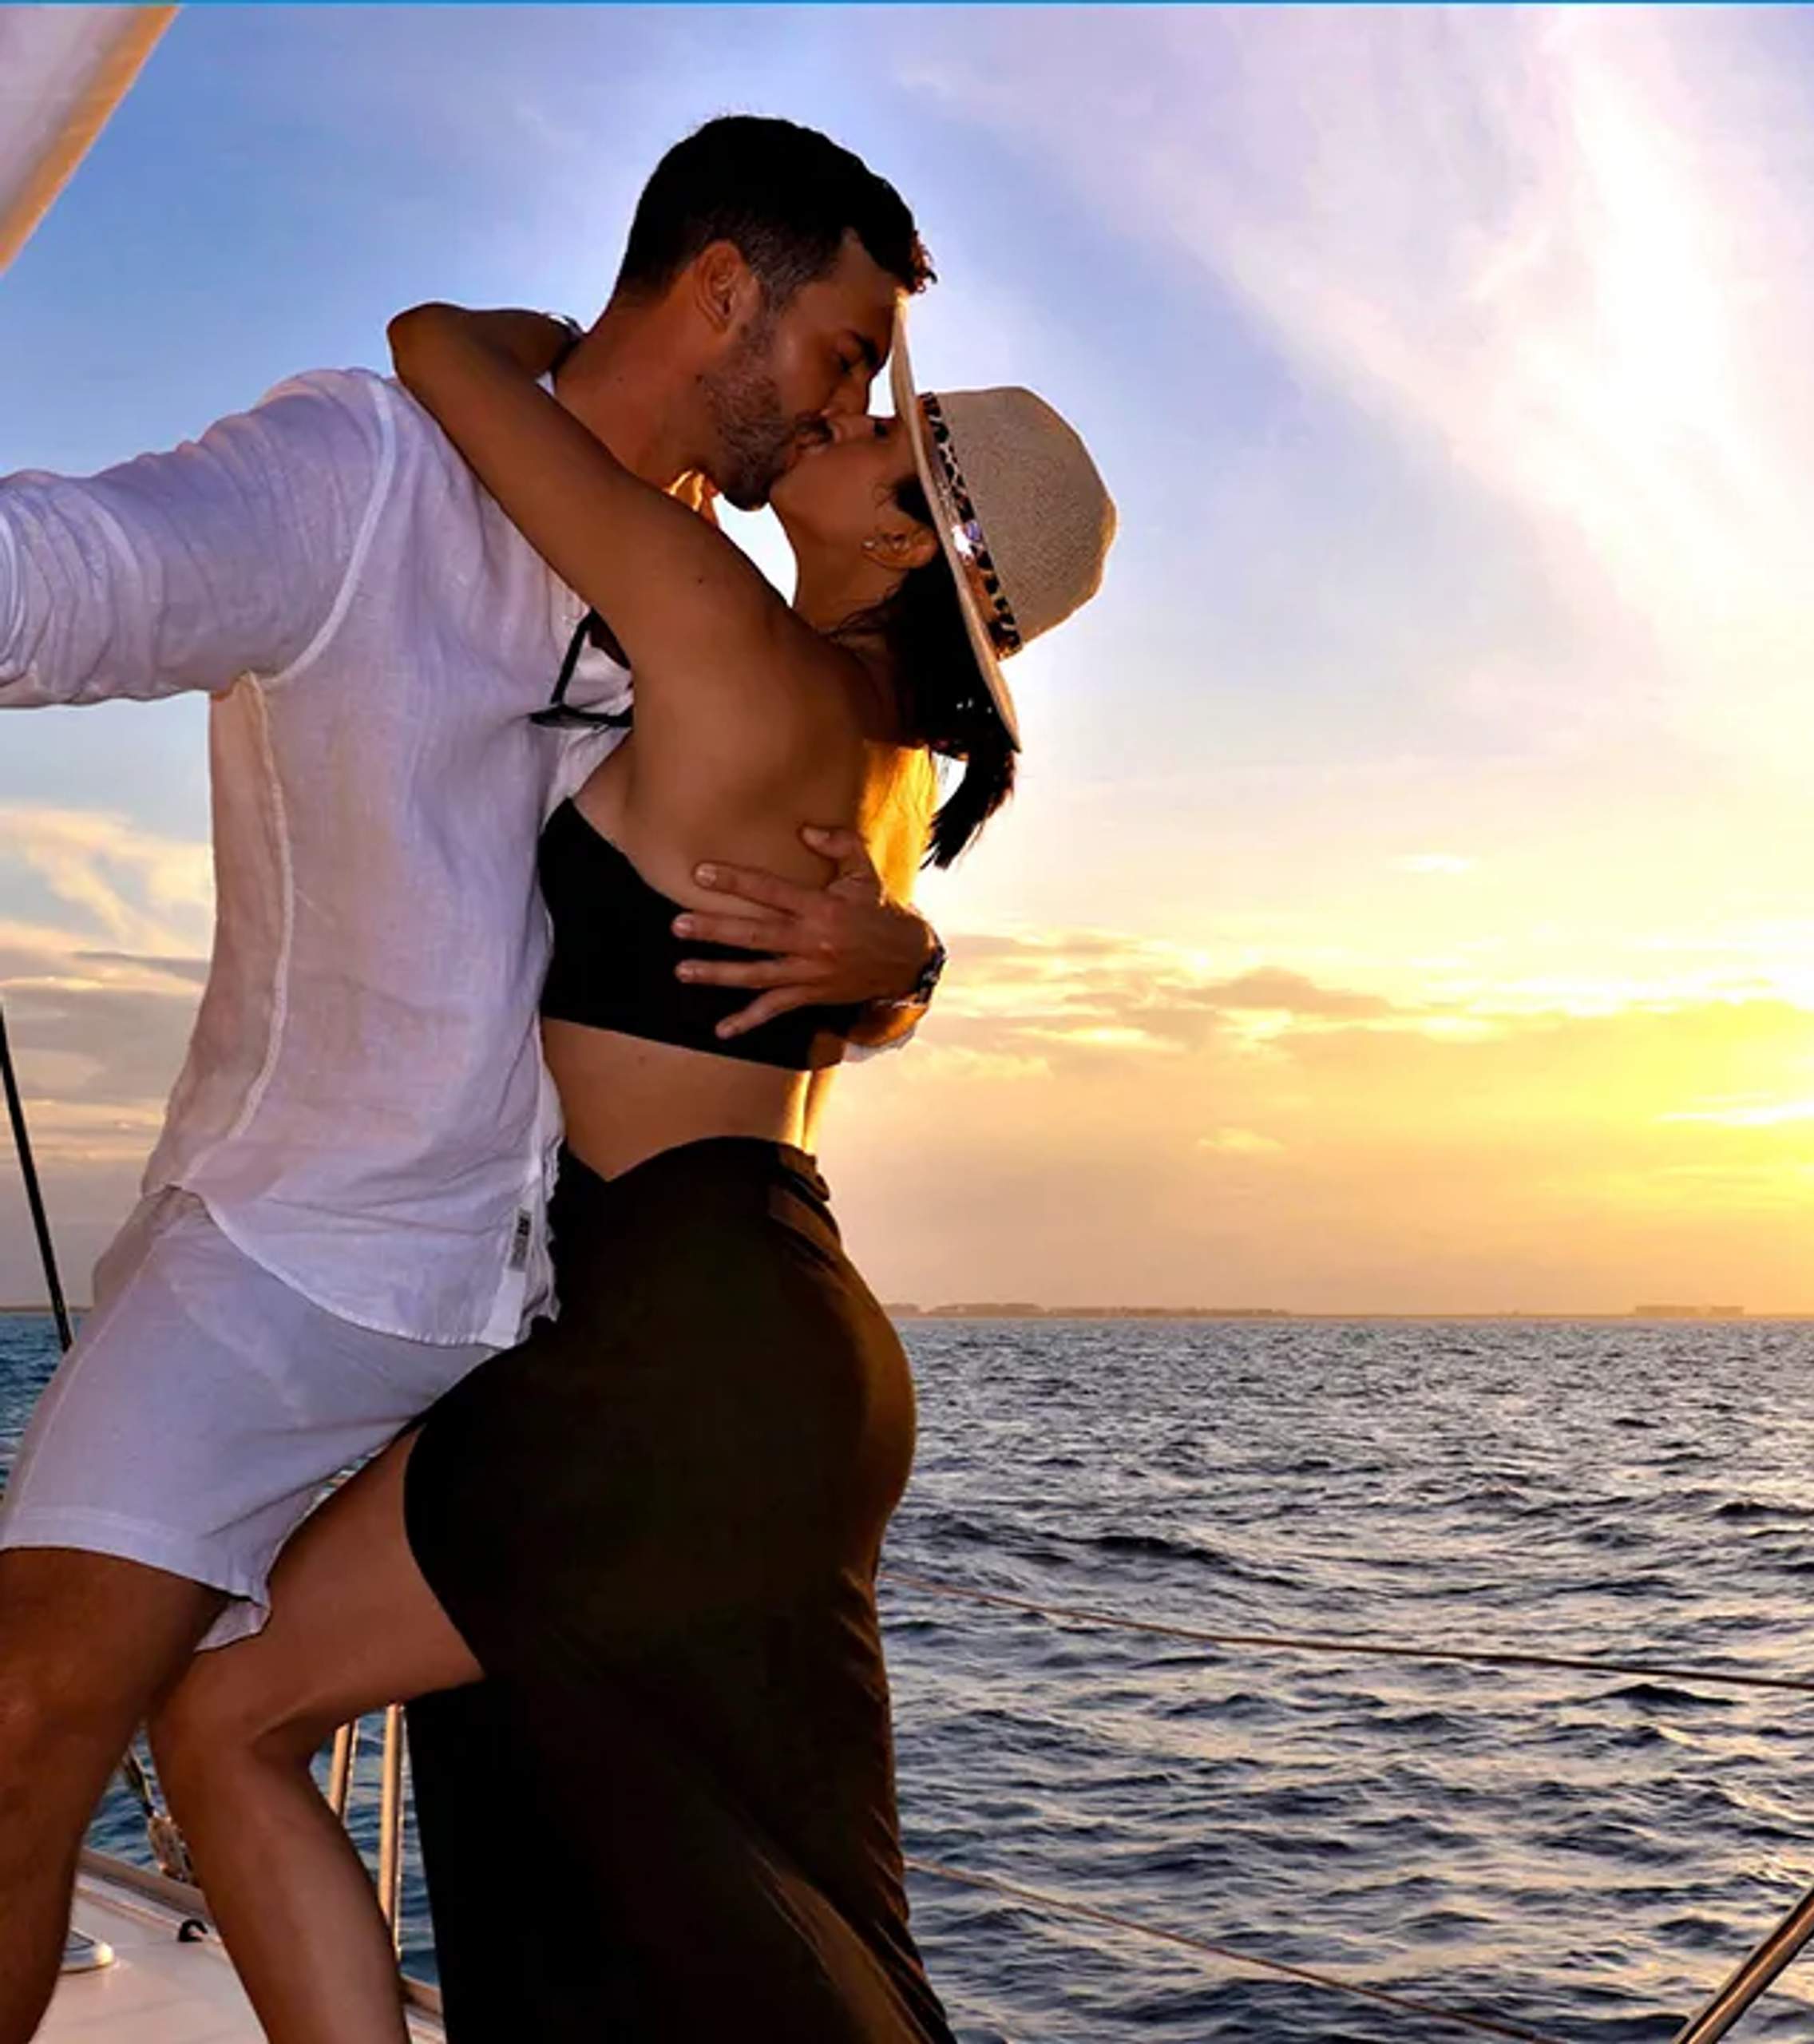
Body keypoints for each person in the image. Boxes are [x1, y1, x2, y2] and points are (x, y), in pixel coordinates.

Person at [0, 116, 949, 2039]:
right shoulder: (370, 468)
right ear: (719, 292)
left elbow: (829, 857)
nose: (859, 397)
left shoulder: (706, 597)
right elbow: (83, 570)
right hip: (308, 1265)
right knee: (29, 1724)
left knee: (679, 1882)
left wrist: (900, 969)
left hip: (579, 1312)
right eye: (847, 351)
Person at [143, 279, 1113, 2035]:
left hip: (673, 1337)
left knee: (227, 1714)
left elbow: (434, 347)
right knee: (745, 1898)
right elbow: (821, 972)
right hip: (773, 1338)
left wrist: (618, 329)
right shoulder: (884, 760)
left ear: (911, 536)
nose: (836, 419)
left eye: (880, 425)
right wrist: (911, 971)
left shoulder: (729, 635)